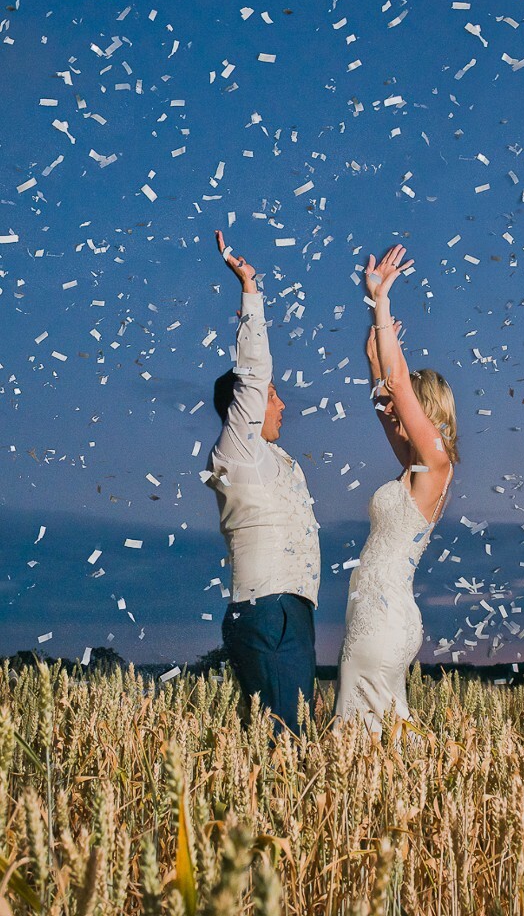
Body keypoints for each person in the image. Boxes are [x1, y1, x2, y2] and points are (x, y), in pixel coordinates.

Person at [334, 244, 459, 733]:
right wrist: (373, 363)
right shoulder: (413, 467)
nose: (388, 408)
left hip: (383, 620)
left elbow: (399, 386)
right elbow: (384, 400)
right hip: (372, 613)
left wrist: (381, 302)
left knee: (363, 740)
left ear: (423, 410)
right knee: (377, 736)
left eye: (399, 404)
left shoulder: (436, 464)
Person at [206, 230, 321, 735]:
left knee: (284, 738)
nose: (281, 404)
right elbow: (253, 375)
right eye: (274, 395)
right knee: (287, 743)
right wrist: (250, 288)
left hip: (287, 610)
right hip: (268, 609)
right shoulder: (240, 450)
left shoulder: (273, 458)